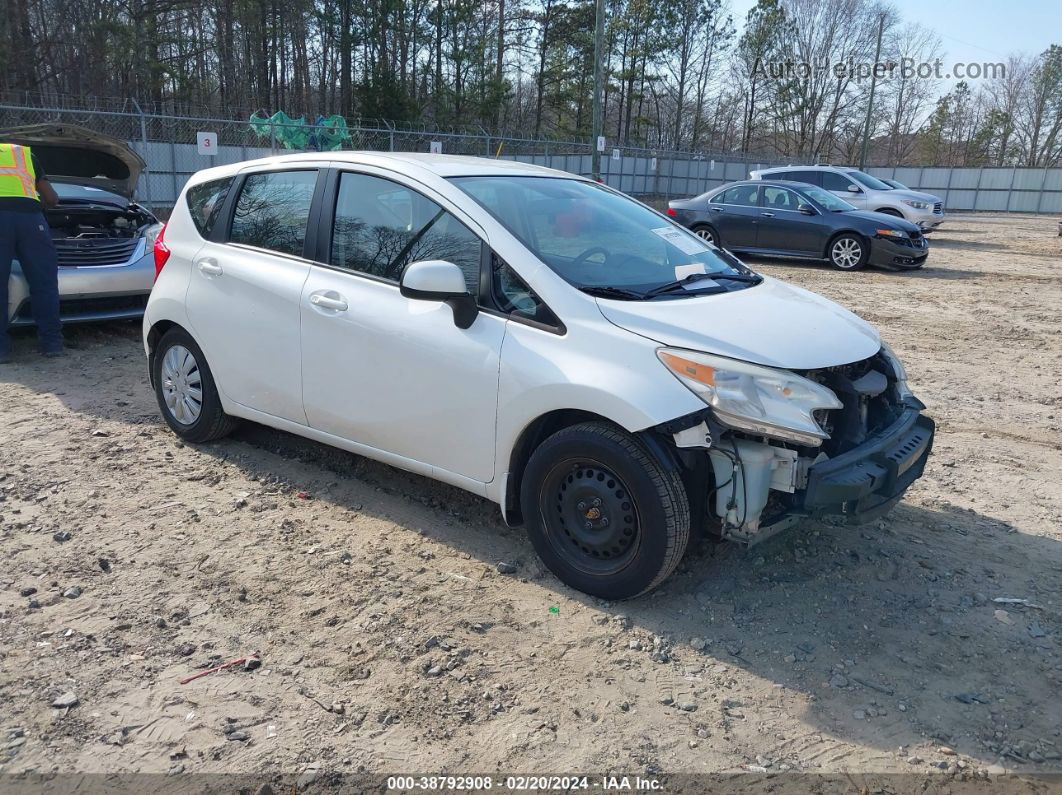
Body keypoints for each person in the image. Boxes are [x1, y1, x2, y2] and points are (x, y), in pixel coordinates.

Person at [0, 141, 64, 362]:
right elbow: (51, 198)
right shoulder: (23, 154)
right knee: (44, 283)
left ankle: (1, 350)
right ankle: (52, 343)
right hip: (30, 221)